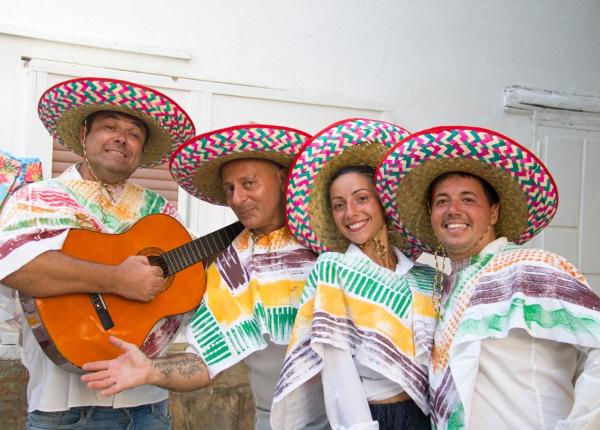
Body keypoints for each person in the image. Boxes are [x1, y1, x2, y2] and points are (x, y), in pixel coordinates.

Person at [81, 123, 330, 430]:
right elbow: (204, 362)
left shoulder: (331, 244)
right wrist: (151, 371)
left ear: (282, 180)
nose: (238, 199)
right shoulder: (231, 268)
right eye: (230, 189)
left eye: (249, 183)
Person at [0, 77, 196, 429]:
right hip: (61, 409)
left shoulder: (161, 213)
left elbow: (192, 286)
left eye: (134, 133)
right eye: (110, 127)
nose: (122, 138)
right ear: (84, 134)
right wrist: (117, 279)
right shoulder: (35, 198)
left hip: (149, 407)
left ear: (142, 149)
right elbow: (14, 267)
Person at [376, 125, 600, 429]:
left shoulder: (530, 267)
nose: (453, 210)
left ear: (493, 213)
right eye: (442, 201)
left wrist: (582, 425)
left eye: (468, 199)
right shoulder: (444, 289)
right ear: (431, 213)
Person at [271, 118, 437, 430]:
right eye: (338, 205)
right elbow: (337, 369)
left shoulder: (424, 278)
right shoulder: (334, 270)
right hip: (374, 418)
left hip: (428, 419)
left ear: (383, 202)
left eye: (362, 198)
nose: (351, 213)